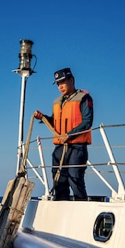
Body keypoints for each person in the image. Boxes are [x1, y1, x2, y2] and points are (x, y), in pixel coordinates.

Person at [32, 68, 93, 200]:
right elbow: (55, 121)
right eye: (58, 83)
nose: (60, 86)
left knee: (75, 178)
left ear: (71, 80)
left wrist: (69, 135)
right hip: (60, 146)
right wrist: (43, 117)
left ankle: (81, 205)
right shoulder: (57, 101)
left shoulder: (84, 98)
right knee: (58, 178)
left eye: (63, 82)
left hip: (77, 146)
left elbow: (87, 121)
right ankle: (61, 204)